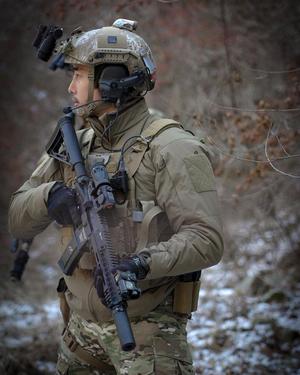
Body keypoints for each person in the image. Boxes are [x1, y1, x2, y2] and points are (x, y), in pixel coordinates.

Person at [8, 19, 224, 375]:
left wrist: (142, 263)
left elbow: (207, 240)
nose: (70, 86)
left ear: (111, 80)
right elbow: (17, 218)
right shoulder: (76, 143)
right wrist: (48, 197)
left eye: (78, 75)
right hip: (78, 332)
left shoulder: (173, 148)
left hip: (147, 333)